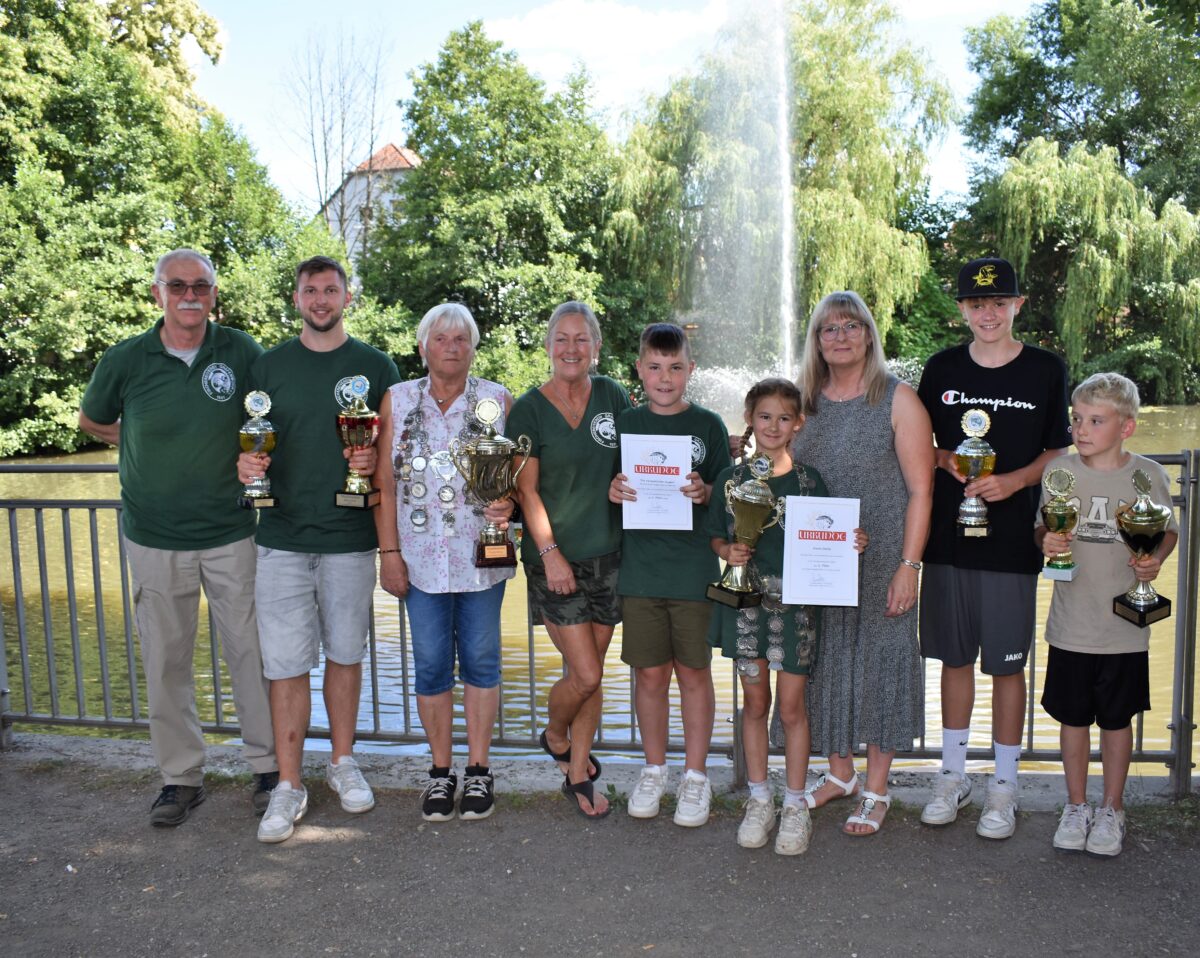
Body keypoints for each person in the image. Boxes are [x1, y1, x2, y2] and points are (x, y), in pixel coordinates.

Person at [78, 248, 277, 826]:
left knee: (251, 653)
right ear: (157, 293)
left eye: (201, 286)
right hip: (154, 536)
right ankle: (180, 778)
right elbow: (92, 419)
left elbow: (267, 420)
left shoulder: (240, 351)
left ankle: (268, 768)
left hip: (231, 530)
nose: (190, 295)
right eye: (178, 286)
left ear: (213, 293)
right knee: (166, 661)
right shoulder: (126, 358)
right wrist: (138, 440)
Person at [238, 255, 400, 844]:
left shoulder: (376, 366)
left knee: (346, 656)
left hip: (349, 538)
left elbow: (392, 458)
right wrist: (245, 465)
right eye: (311, 290)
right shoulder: (268, 364)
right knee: (284, 666)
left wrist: (370, 460)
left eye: (331, 289)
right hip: (281, 537)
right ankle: (288, 784)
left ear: (347, 297)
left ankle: (342, 762)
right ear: (297, 298)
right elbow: (249, 440)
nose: (321, 299)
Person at [917, 256, 1070, 839]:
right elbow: (919, 443)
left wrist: (1014, 481)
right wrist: (944, 459)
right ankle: (951, 776)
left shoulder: (1045, 369)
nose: (988, 313)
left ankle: (1004, 786)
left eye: (999, 302)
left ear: (1017, 306)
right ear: (962, 309)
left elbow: (1058, 450)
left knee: (1007, 667)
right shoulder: (941, 368)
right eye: (976, 303)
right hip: (948, 538)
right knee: (954, 661)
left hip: (1012, 541)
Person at [785, 291, 934, 835]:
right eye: (829, 328)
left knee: (880, 663)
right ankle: (840, 774)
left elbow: (921, 491)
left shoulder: (898, 399)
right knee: (823, 661)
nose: (840, 336)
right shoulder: (803, 402)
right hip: (818, 560)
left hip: (882, 559)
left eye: (851, 325)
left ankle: (876, 789)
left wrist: (908, 566)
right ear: (817, 341)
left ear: (869, 335)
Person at [705, 378, 865, 855]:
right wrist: (727, 551)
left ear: (798, 423)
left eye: (783, 418)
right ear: (750, 420)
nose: (773, 426)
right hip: (745, 607)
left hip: (797, 612)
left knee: (792, 708)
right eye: (764, 416)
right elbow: (715, 535)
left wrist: (853, 542)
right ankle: (760, 800)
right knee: (755, 704)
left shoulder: (811, 482)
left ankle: (795, 804)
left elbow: (832, 537)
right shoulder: (730, 479)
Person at [374, 303, 516, 822]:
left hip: (483, 559)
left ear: (474, 348)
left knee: (482, 662)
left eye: (461, 339)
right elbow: (383, 483)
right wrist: (389, 553)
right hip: (419, 562)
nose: (451, 347)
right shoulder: (397, 399)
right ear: (423, 347)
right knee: (431, 666)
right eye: (441, 338)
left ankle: (478, 770)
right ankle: (440, 772)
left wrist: (510, 504)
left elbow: (521, 478)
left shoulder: (498, 399)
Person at [1036, 373, 1178, 857]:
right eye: (1077, 419)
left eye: (1096, 421)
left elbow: (1166, 531)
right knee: (1072, 718)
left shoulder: (1148, 474)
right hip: (1071, 625)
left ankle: (1112, 808)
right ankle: (1076, 806)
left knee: (1118, 721)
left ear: (1126, 428)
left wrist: (1154, 558)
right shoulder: (1059, 471)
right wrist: (1046, 540)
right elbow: (1041, 528)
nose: (1082, 429)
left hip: (1124, 627)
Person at [508, 301, 632, 819]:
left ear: (596, 347)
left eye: (582, 339)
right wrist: (551, 554)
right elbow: (526, 491)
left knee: (593, 674)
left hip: (611, 557)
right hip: (554, 562)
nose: (571, 348)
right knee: (584, 673)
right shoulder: (528, 410)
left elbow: (639, 459)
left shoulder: (613, 396)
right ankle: (555, 735)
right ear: (547, 346)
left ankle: (578, 773)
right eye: (562, 338)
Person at [608, 324, 731, 826]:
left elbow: (727, 494)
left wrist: (707, 493)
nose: (665, 378)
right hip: (641, 572)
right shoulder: (625, 424)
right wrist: (613, 490)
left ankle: (696, 776)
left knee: (694, 674)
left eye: (675, 368)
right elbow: (608, 488)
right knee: (650, 675)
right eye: (655, 367)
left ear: (690, 370)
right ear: (639, 369)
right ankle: (654, 769)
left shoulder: (708, 425)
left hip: (693, 571)